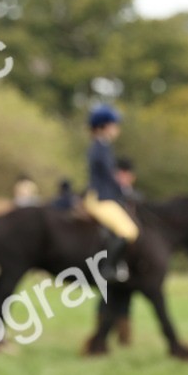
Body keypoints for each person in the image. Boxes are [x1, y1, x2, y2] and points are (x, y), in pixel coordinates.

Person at [83, 105, 139, 282]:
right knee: (128, 230)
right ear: (104, 126)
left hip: (104, 196)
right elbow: (109, 176)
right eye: (114, 125)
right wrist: (124, 191)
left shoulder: (103, 146)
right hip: (100, 198)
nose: (117, 129)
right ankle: (108, 269)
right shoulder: (100, 147)